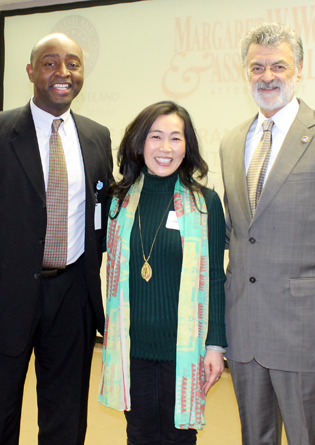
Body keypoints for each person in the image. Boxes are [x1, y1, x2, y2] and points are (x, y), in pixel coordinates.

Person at [0, 33, 112, 444]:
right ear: (31, 72)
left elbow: (103, 217)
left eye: (72, 64)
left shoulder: (97, 137)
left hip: (73, 298)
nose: (63, 73)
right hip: (1, 305)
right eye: (50, 63)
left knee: (66, 419)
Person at [219, 23, 315, 444]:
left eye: (278, 66)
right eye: (257, 67)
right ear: (246, 72)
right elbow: (237, 235)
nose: (267, 76)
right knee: (256, 437)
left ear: (299, 69)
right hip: (245, 333)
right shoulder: (233, 142)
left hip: (307, 337)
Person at [98, 101, 227, 444]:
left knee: (179, 438)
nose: (166, 148)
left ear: (188, 147)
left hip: (183, 351)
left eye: (176, 138)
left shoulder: (205, 204)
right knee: (138, 435)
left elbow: (215, 278)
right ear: (140, 143)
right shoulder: (118, 202)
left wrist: (215, 345)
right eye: (156, 137)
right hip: (132, 347)